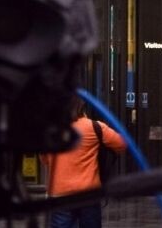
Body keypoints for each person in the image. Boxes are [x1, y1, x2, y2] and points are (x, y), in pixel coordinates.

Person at [42, 97, 128, 228]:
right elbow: (122, 144)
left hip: (60, 194)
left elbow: (45, 159)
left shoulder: (53, 131)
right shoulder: (94, 127)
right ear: (82, 108)